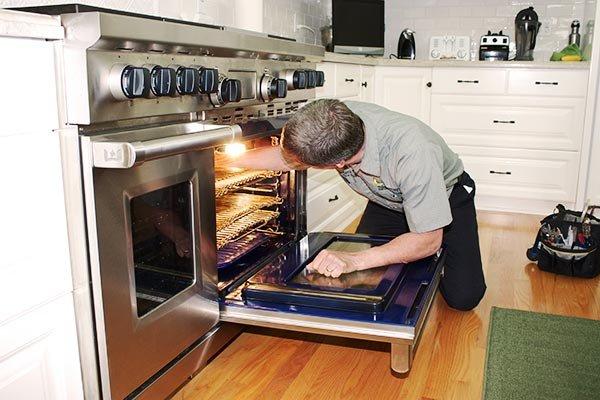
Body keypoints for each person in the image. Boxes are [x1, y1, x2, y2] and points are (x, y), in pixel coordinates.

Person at [228, 99, 486, 311]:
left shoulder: (413, 152)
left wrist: (354, 260)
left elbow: (428, 239)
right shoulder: (329, 120)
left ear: (337, 163)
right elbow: (288, 158)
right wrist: (223, 163)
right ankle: (409, 251)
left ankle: (433, 260)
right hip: (386, 201)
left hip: (446, 195)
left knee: (463, 298)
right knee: (360, 282)